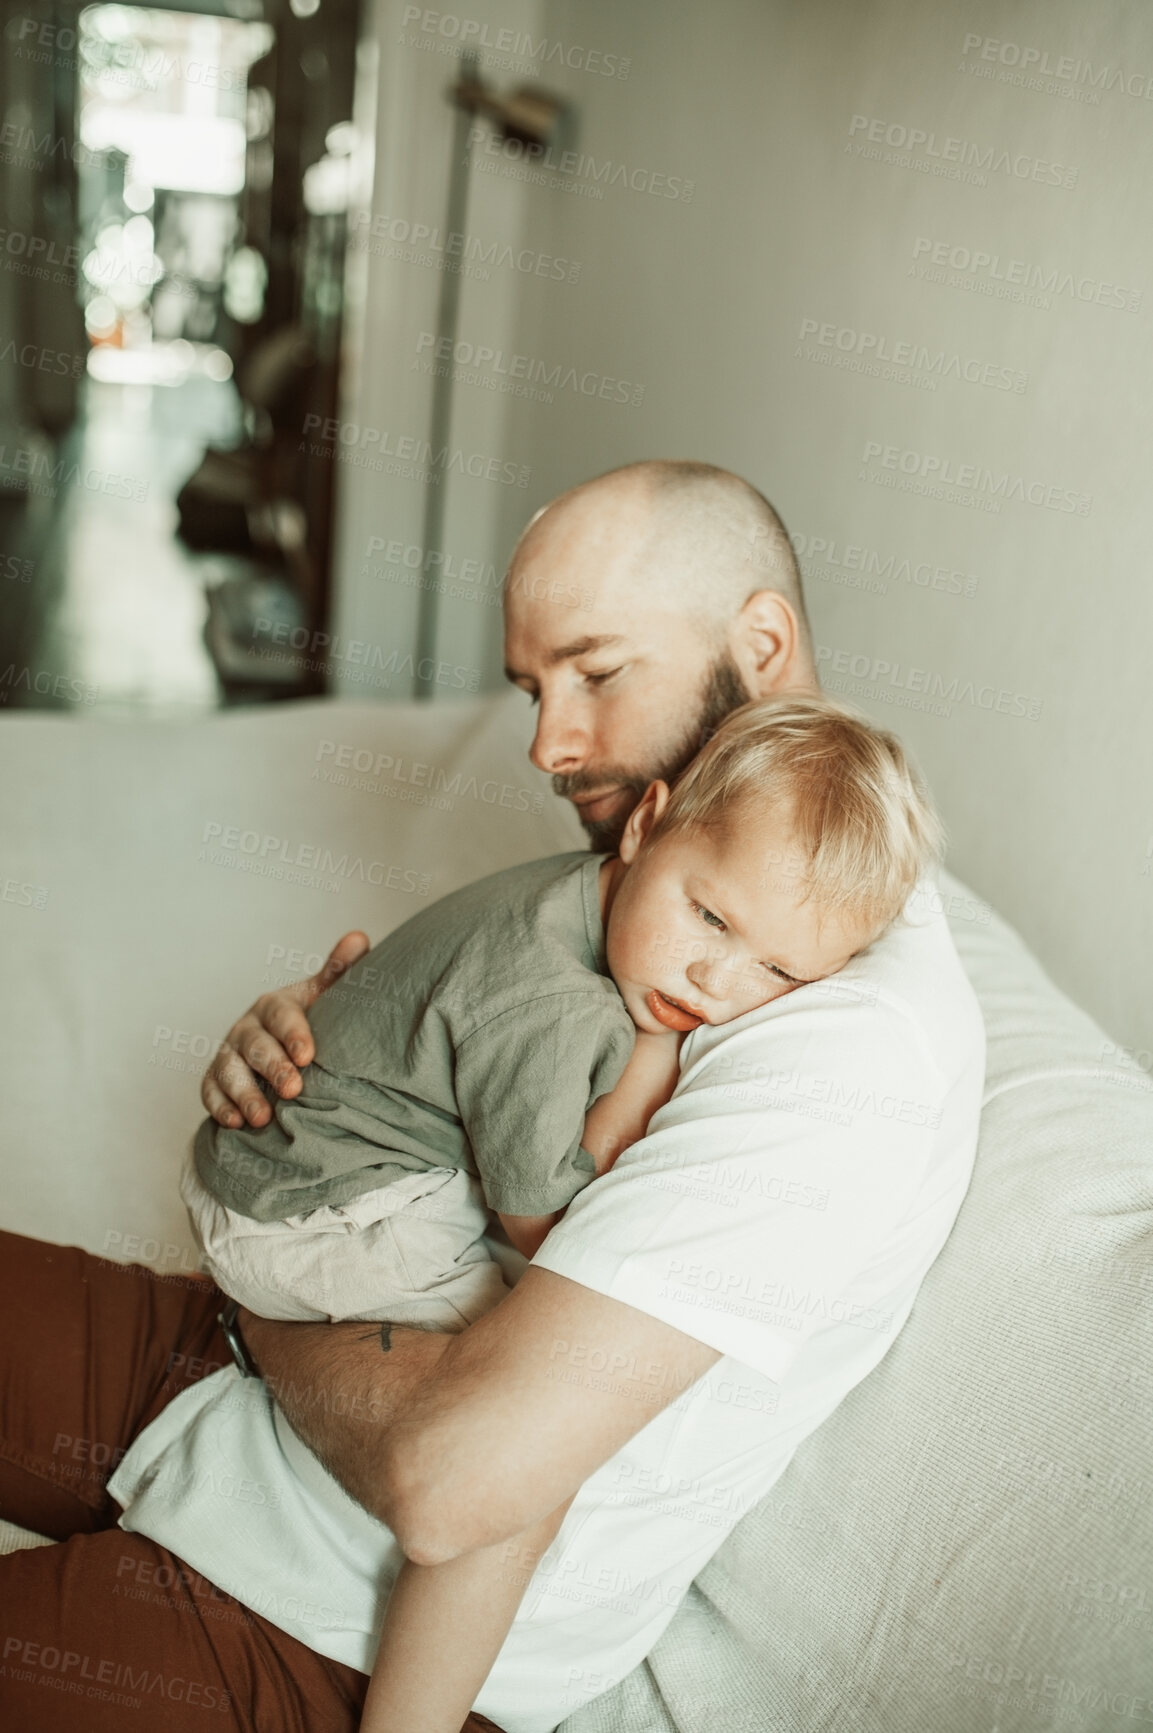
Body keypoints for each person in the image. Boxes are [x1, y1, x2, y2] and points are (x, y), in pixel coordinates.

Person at [0, 461, 985, 1733]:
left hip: (311, 1607)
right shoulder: (691, 886)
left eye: (596, 670)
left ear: (760, 642)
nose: (546, 744)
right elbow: (482, 1039)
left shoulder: (848, 1059)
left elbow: (456, 1486)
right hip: (244, 1369)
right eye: (532, 687)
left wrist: (273, 1268)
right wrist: (316, 1081)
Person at [183, 695, 940, 1733]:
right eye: (710, 916)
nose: (716, 979)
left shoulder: (586, 912)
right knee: (510, 1493)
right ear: (644, 825)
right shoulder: (554, 1004)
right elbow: (544, 1222)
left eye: (777, 971)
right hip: (313, 1211)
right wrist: (650, 1067)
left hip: (286, 1172)